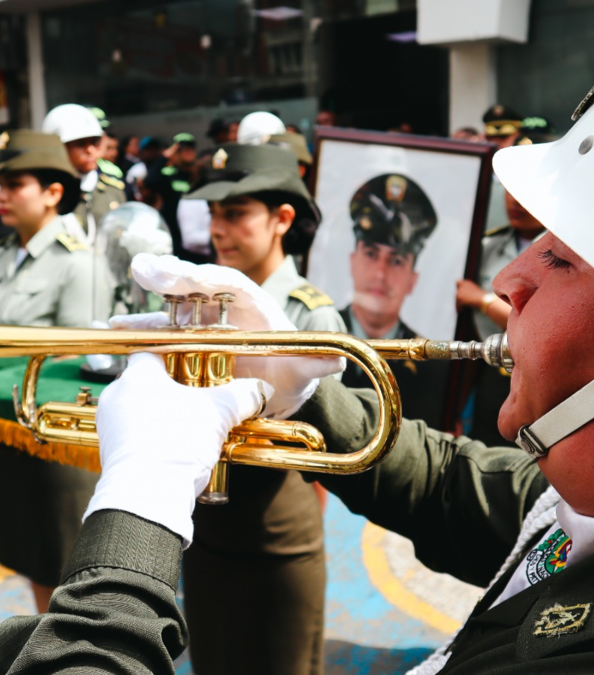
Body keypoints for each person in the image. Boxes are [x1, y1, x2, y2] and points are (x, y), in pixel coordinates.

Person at [0, 2, 594, 672]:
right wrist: (298, 383)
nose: (510, 280)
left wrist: (133, 510)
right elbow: (461, 484)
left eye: (564, 262)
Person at [178, 143, 345, 675]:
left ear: (282, 219)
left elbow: (326, 444)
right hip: (205, 532)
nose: (218, 228)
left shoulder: (311, 315)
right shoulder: (202, 304)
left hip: (279, 535)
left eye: (235, 213)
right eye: (212, 214)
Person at [0, 129, 113, 616]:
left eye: (15, 184)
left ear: (54, 193)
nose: (2, 195)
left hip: (58, 444)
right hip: (10, 434)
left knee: (72, 570)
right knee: (33, 561)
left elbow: (83, 366)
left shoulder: (80, 265)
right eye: (0, 184)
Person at [456, 133, 548, 446]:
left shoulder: (567, 251)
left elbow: (537, 327)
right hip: (491, 375)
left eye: (523, 187)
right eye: (509, 188)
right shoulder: (487, 246)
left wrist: (480, 300)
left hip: (541, 380)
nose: (513, 199)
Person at [340, 173, 451, 425]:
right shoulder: (316, 337)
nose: (380, 274)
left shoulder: (432, 365)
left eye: (397, 260)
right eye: (370, 254)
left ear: (413, 280)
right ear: (352, 262)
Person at [43, 104, 125, 243]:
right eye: (80, 143)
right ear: (56, 147)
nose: (90, 150)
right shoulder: (45, 194)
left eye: (95, 142)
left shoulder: (113, 189)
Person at [143, 133, 199, 260]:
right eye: (181, 149)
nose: (187, 152)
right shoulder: (168, 174)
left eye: (190, 147)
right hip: (174, 234)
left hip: (197, 236)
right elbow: (149, 181)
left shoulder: (200, 173)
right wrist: (164, 156)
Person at [482, 105, 523, 232]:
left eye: (504, 137)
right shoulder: (479, 173)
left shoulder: (525, 172)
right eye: (491, 138)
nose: (497, 143)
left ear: (518, 135)